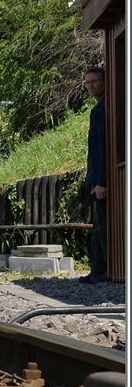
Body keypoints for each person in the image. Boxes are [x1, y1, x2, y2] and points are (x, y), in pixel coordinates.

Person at [81, 67, 109, 284]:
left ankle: (103, 270)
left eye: (95, 81)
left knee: (102, 226)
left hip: (102, 179)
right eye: (88, 82)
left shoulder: (104, 109)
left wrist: (101, 182)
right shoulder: (98, 109)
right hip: (96, 177)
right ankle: (97, 269)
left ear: (104, 82)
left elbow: (103, 147)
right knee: (98, 225)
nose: (91, 85)